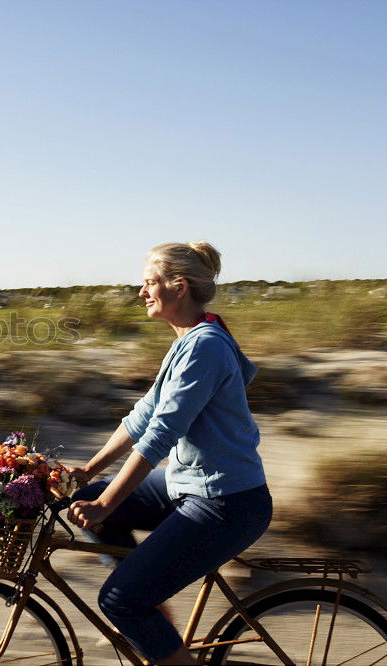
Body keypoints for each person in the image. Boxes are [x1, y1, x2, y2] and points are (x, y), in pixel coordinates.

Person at [66, 241, 272, 665]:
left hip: (225, 502)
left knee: (120, 599)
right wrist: (89, 472)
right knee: (85, 500)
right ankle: (155, 615)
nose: (142, 292)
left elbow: (161, 435)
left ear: (179, 287)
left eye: (149, 283)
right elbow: (143, 416)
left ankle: (145, 615)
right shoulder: (188, 341)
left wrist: (106, 503)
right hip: (191, 482)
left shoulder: (205, 347)